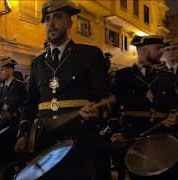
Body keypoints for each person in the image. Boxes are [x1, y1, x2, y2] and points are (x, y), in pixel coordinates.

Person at [14, 1, 111, 179]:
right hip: (47, 145)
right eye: (47, 19)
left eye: (58, 17)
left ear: (69, 23)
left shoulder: (89, 54)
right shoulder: (38, 63)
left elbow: (106, 97)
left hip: (81, 143)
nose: (51, 23)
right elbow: (30, 105)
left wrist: (97, 110)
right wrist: (23, 134)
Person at [111, 35, 178, 180]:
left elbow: (174, 106)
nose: (161, 51)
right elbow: (114, 108)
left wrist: (172, 118)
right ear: (142, 50)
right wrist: (116, 132)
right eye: (158, 48)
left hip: (161, 136)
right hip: (133, 136)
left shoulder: (166, 77)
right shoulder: (122, 76)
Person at [0, 56, 27, 179]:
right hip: (4, 126)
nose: (0, 72)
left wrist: (13, 114)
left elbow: (26, 106)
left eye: (2, 70)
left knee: (18, 155)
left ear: (10, 70)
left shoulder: (20, 85)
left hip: (17, 125)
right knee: (5, 154)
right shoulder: (0, 87)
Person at [161, 38, 178, 105]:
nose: (171, 52)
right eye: (168, 50)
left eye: (175, 49)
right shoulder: (158, 72)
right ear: (163, 53)